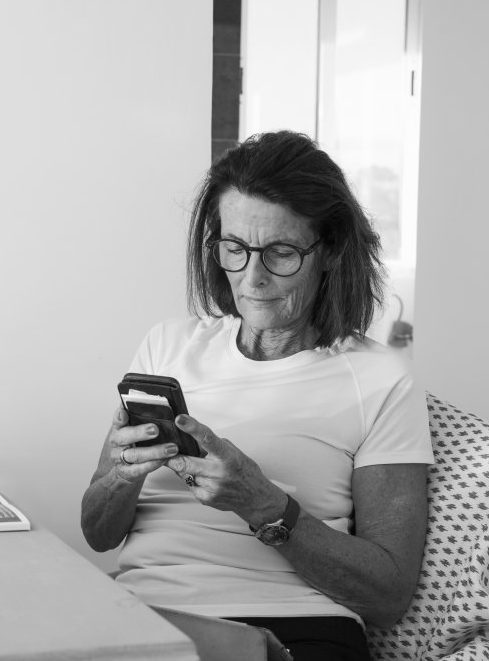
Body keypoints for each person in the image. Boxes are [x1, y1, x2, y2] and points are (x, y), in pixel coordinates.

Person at [81, 131, 433, 661]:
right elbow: (98, 534)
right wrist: (123, 476)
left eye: (281, 253)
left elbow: (387, 596)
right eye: (235, 249)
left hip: (297, 630)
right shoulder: (167, 345)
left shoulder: (382, 379)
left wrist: (262, 502)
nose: (253, 278)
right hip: (149, 622)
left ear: (330, 250)